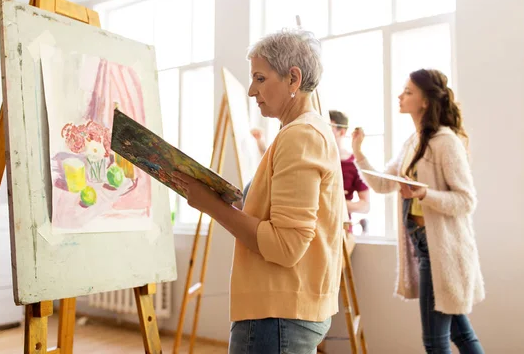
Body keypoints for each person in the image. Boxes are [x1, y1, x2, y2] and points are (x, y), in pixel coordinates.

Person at [171, 28, 346, 353]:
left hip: (278, 317)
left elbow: (286, 245)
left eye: (260, 78)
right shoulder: (309, 131)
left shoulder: (300, 135)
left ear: (293, 78)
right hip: (286, 312)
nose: (252, 90)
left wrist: (210, 205)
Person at [351, 69, 485, 354]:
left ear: (425, 101)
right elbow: (383, 184)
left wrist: (425, 194)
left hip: (443, 252)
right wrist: (359, 152)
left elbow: (466, 200)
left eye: (408, 91)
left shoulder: (445, 142)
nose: (400, 96)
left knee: (435, 342)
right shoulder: (413, 142)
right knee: (462, 335)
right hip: (426, 246)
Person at [328, 110, 370, 222]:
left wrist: (334, 203)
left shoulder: (354, 164)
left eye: (328, 128)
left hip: (343, 230)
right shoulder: (314, 159)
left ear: (342, 132)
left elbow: (365, 206)